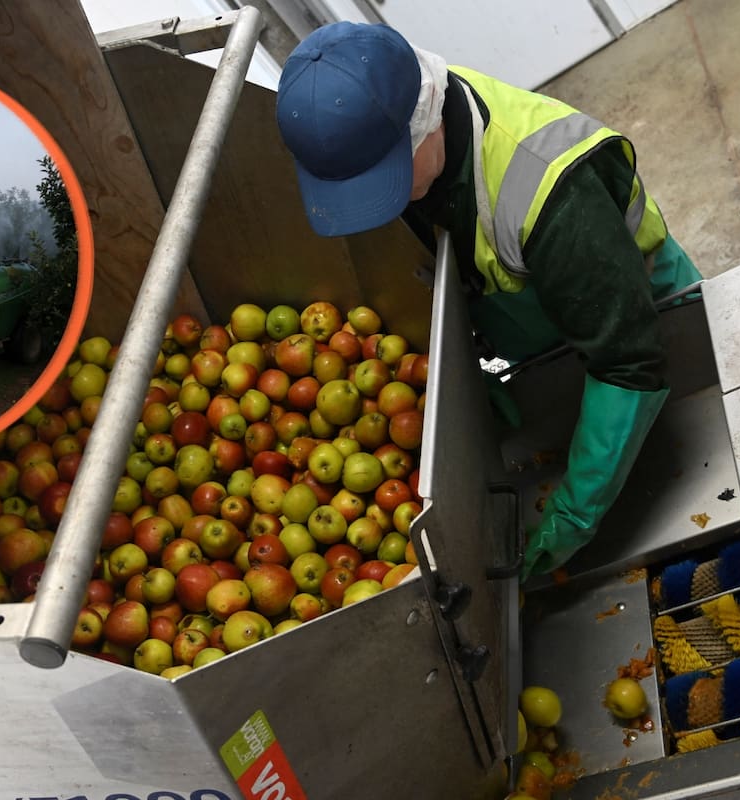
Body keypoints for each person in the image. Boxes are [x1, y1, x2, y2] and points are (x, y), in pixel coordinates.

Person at [275, 22, 703, 579]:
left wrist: (572, 516)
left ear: (424, 122)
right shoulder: (418, 142)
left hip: (648, 319)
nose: (386, 202)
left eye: (389, 178)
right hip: (548, 336)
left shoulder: (548, 187)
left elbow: (629, 361)